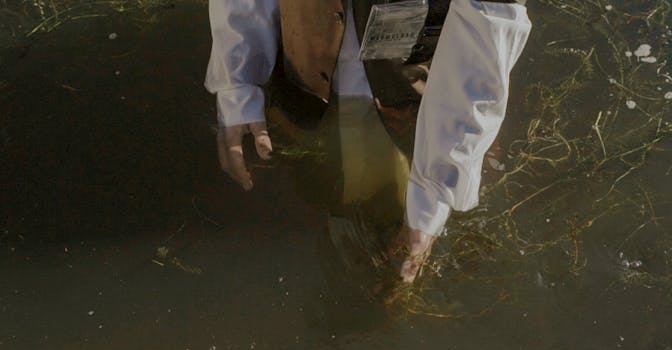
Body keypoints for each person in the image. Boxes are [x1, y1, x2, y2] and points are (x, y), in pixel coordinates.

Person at [205, 0, 531, 283]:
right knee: (307, 205)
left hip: (419, 98)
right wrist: (238, 79)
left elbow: (488, 23)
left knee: (399, 256)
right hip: (302, 80)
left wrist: (434, 192)